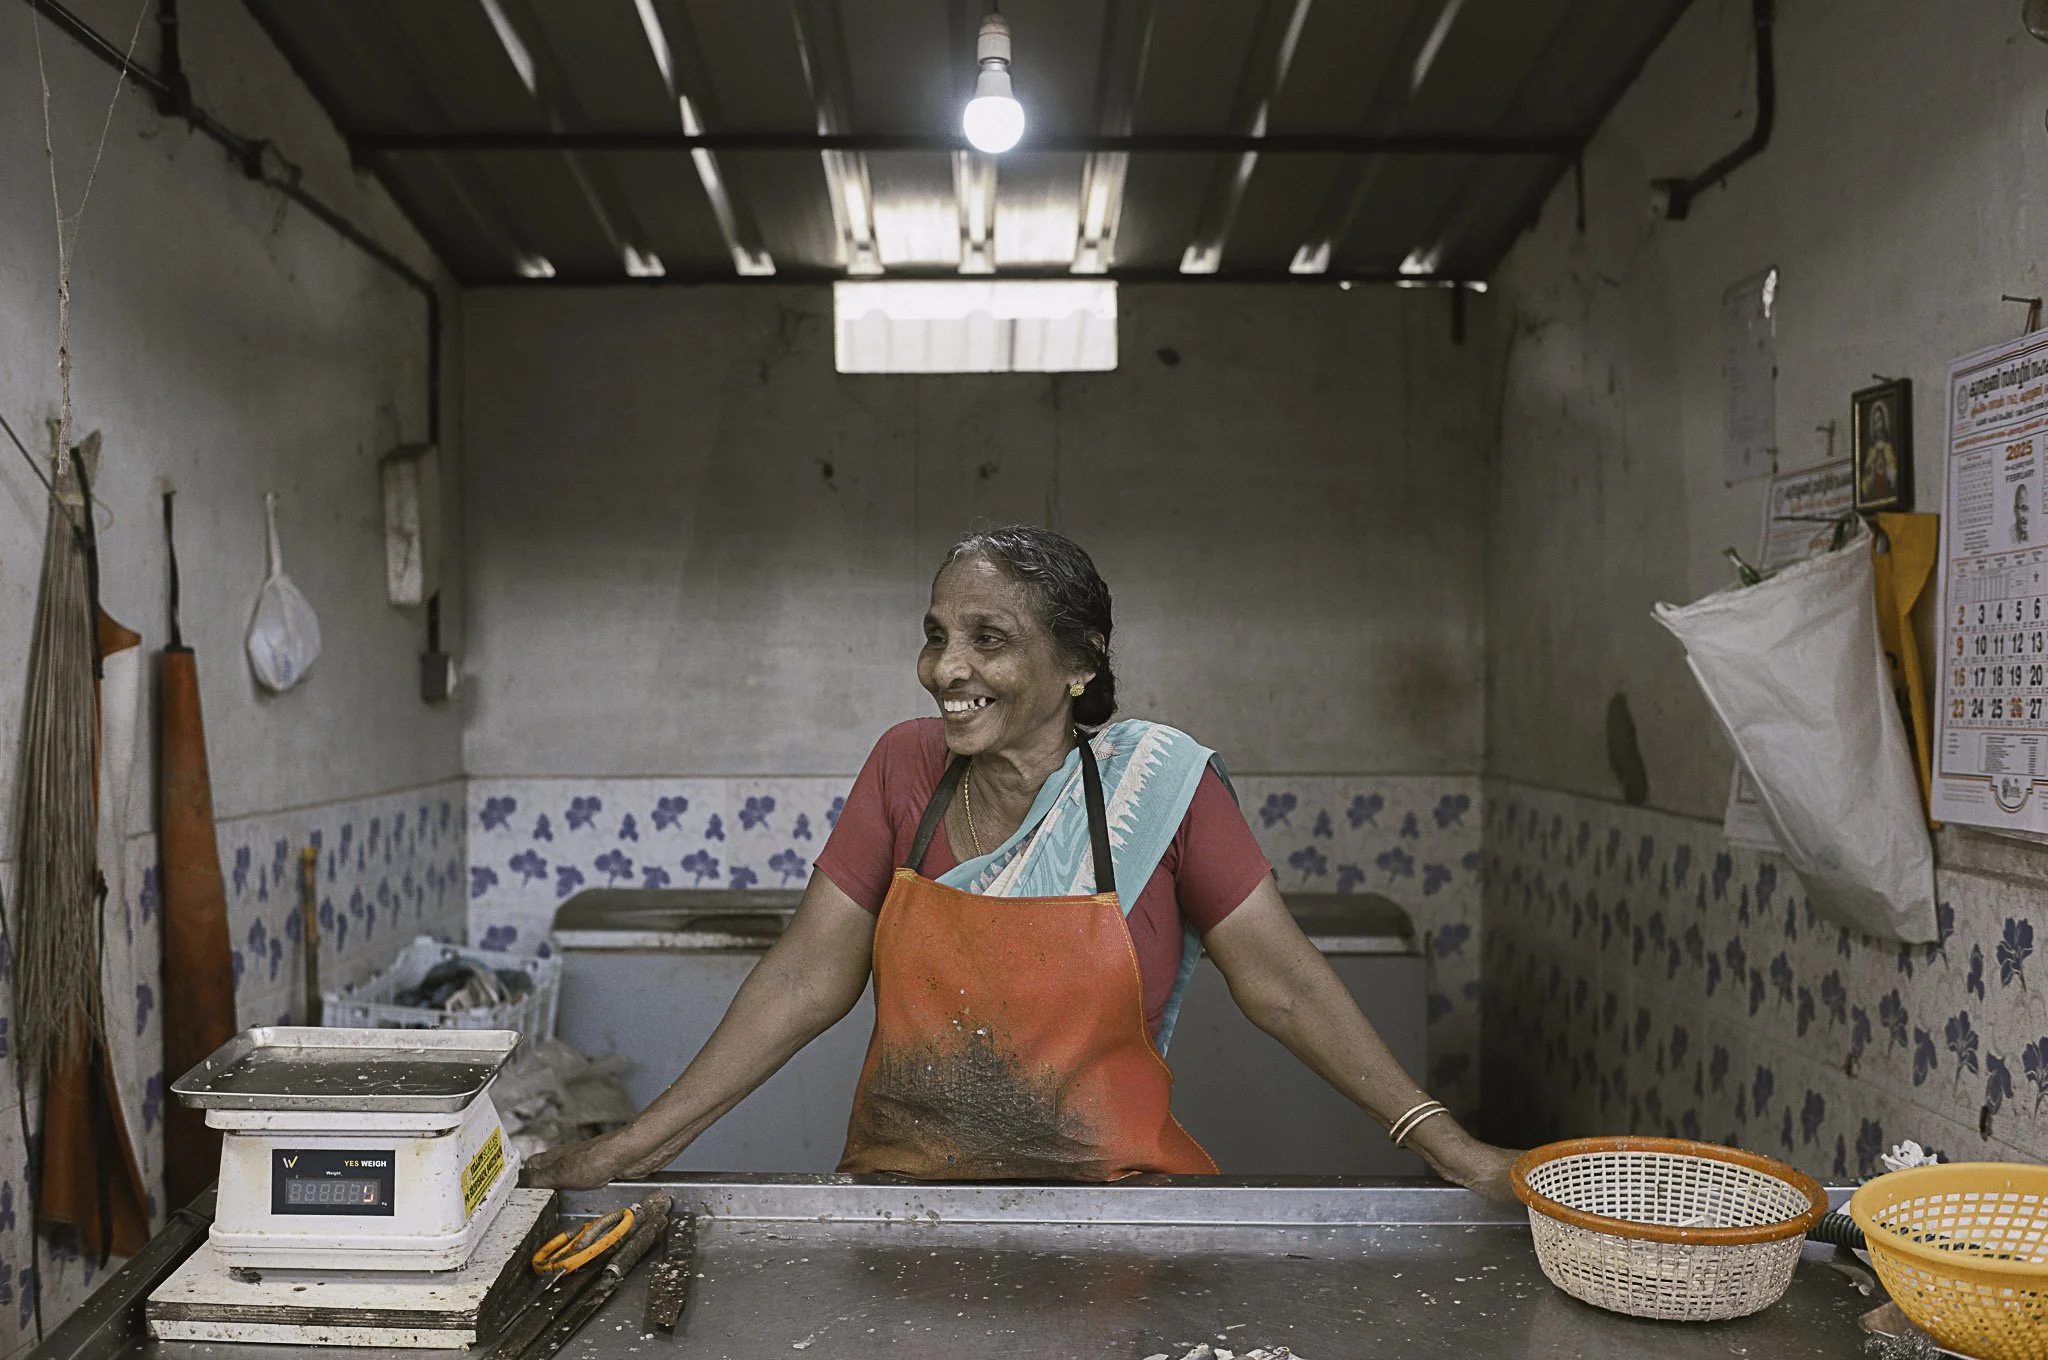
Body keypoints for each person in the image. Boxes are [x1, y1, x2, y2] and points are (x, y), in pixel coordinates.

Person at [524, 526, 1517, 1199]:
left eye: (986, 639)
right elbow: (799, 980)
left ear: (1077, 662)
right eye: (935, 636)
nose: (943, 668)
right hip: (902, 1208)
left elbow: (1287, 987)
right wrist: (632, 1149)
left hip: (1110, 1215)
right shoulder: (902, 767)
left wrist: (1450, 1147)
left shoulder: (1160, 782)